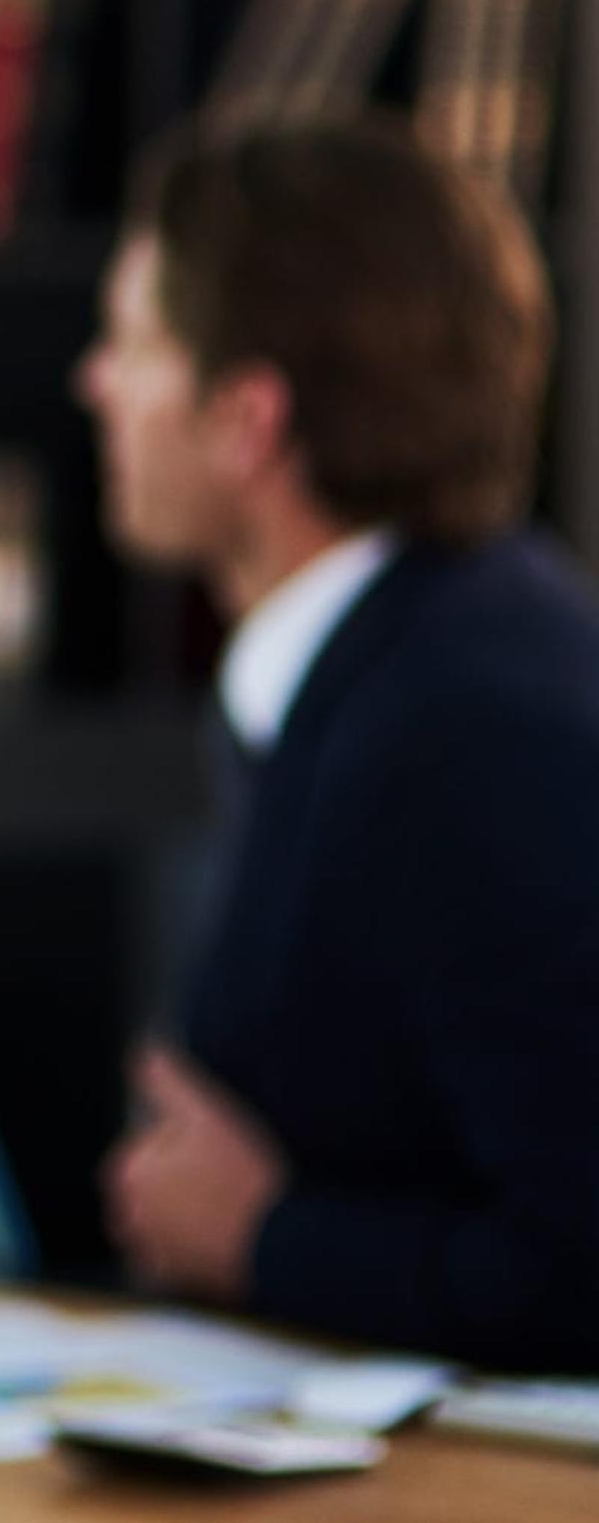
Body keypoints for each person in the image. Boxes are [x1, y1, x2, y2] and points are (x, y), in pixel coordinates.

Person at [80, 118, 599, 1370]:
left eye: (138, 343)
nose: (94, 381)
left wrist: (264, 1235)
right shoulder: (398, 651)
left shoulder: (470, 721)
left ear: (248, 418)